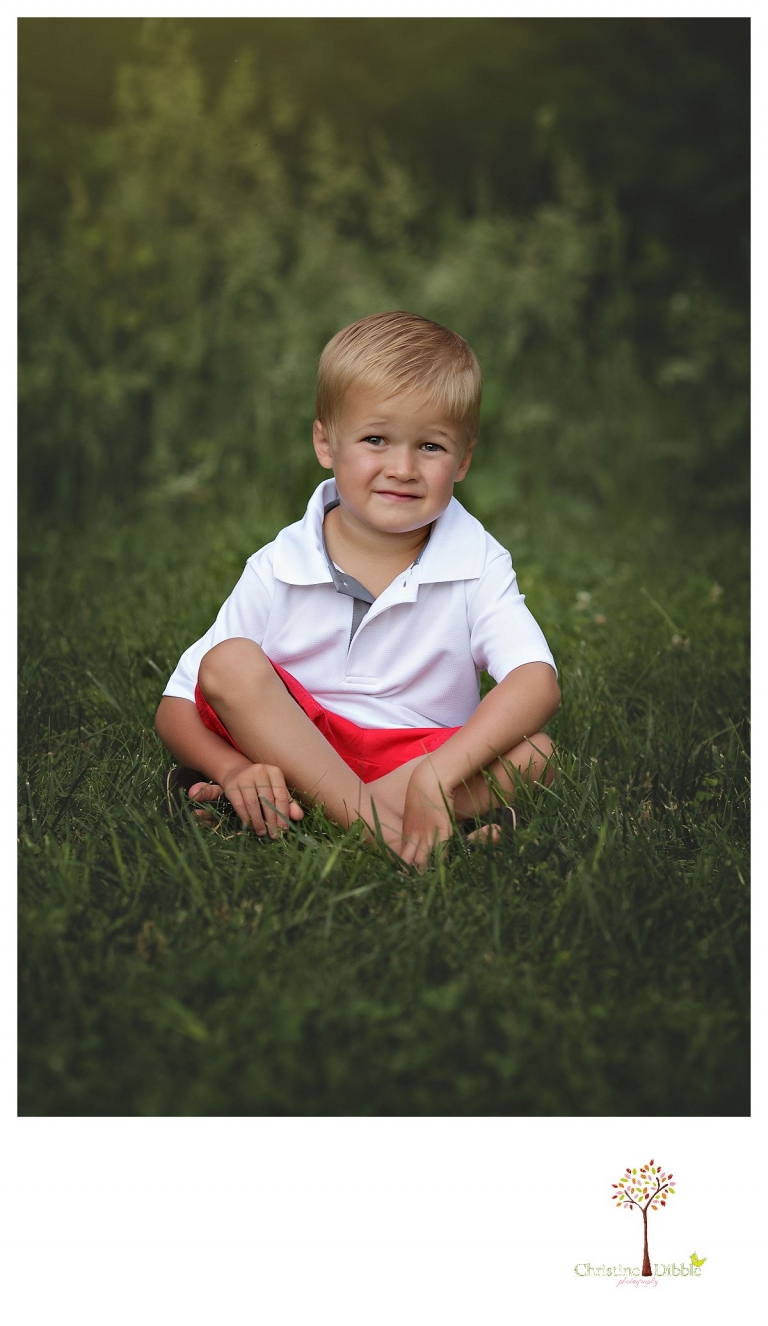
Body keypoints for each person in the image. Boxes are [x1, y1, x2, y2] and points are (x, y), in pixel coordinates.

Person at [155, 311, 560, 868]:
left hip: (416, 758)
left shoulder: (477, 562)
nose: (403, 467)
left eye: (432, 447)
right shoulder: (280, 564)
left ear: (464, 459)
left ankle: (295, 820)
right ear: (326, 442)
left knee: (535, 755)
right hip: (296, 747)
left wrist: (438, 777)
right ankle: (392, 837)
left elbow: (535, 682)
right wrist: (233, 768)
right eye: (376, 439)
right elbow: (177, 707)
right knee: (228, 663)